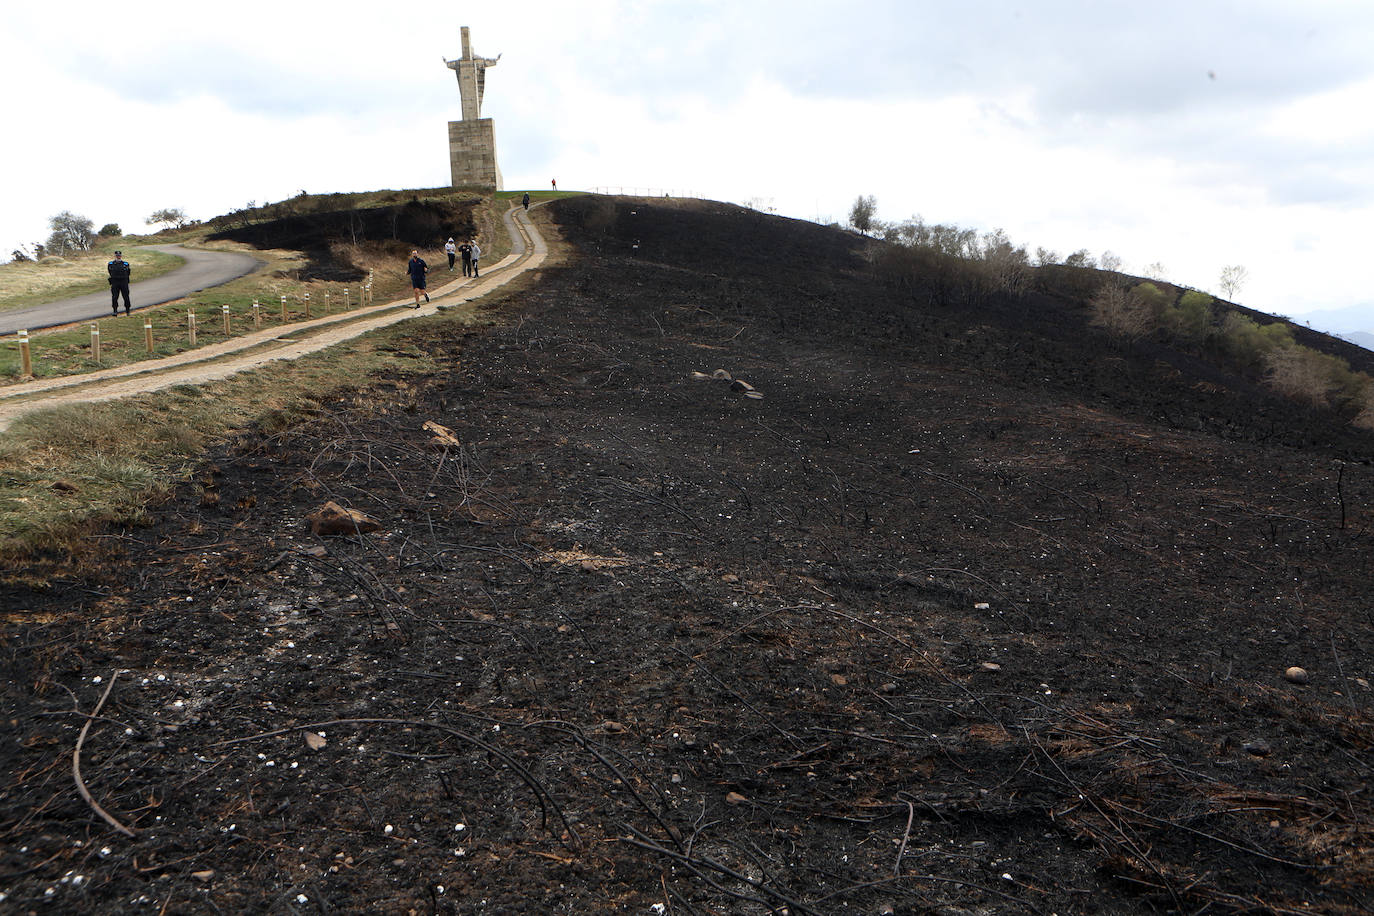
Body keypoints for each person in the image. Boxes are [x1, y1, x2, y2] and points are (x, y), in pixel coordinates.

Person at [108, 250, 132, 316]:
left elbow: (128, 272)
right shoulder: (111, 264)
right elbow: (110, 272)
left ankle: (128, 311)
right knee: (115, 297)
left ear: (121, 256)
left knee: (126, 297)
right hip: (115, 282)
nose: (118, 257)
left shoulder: (125, 264)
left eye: (119, 255)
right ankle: (115, 311)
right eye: (117, 256)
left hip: (123, 282)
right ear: (115, 256)